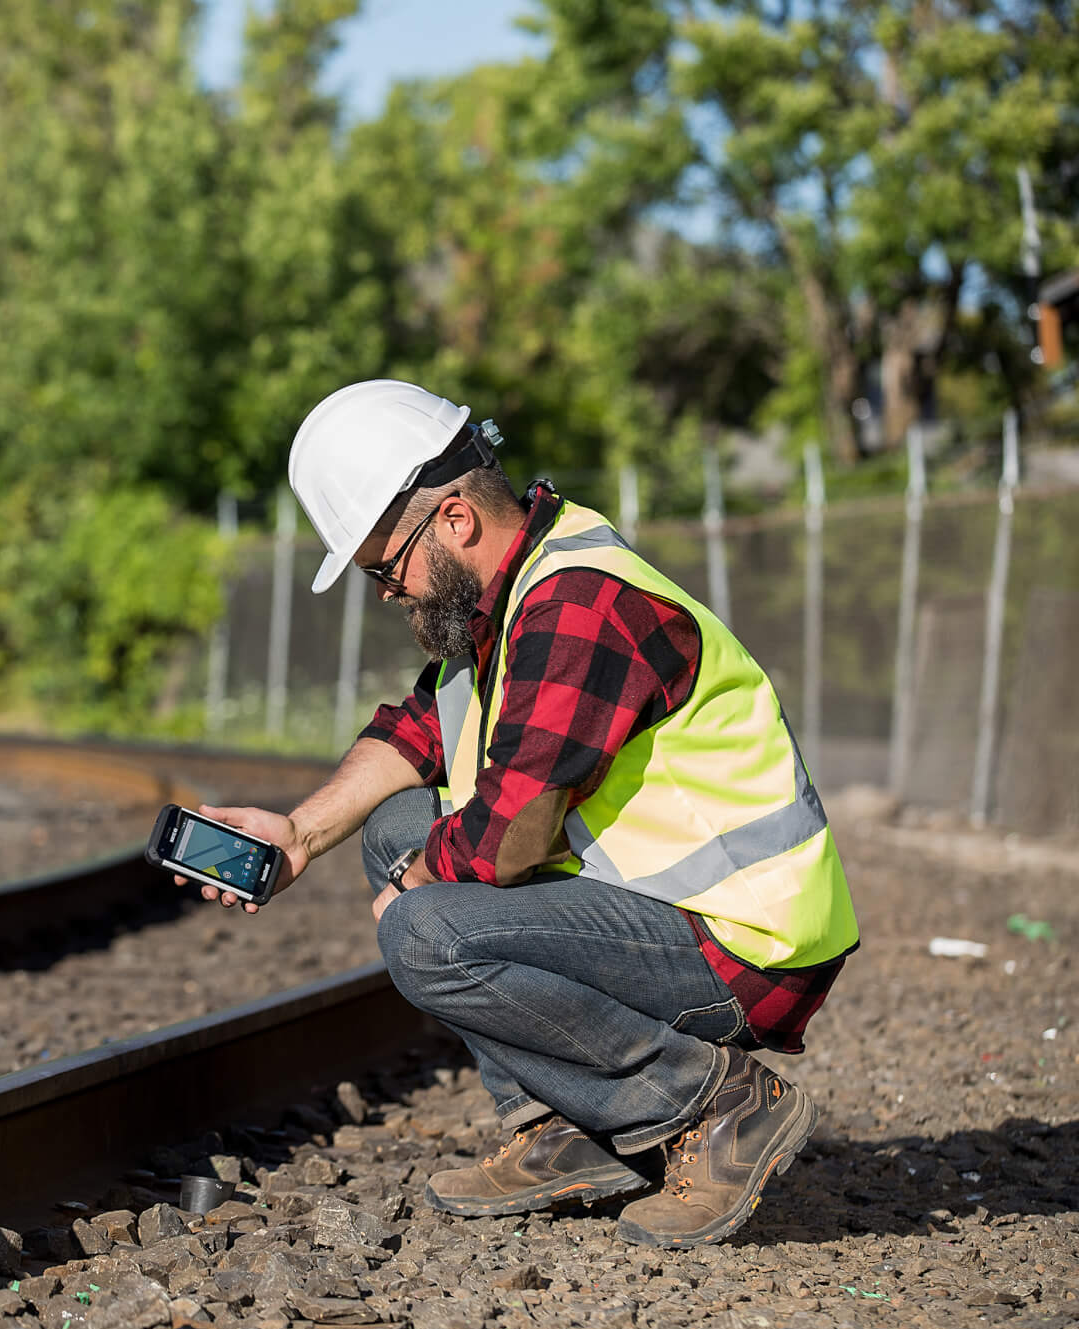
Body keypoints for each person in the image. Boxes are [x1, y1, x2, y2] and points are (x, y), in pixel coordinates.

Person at [185, 380, 858, 1248]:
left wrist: (413, 893)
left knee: (427, 932)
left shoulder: (579, 602)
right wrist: (301, 832)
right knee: (394, 833)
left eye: (387, 568)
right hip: (663, 910)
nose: (388, 592)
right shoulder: (507, 597)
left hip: (745, 942)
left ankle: (717, 1104)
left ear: (455, 520)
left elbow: (507, 841)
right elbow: (421, 730)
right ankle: (564, 1127)